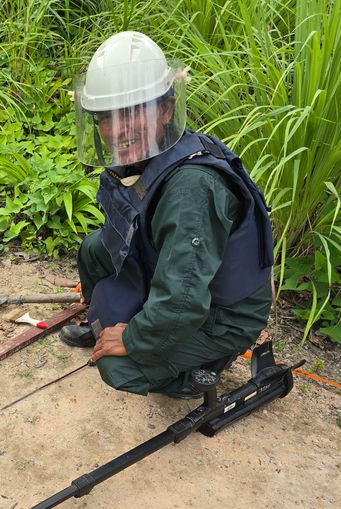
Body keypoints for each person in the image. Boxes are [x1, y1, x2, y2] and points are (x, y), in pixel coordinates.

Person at [61, 31, 274, 398]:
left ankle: (195, 373)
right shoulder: (142, 157)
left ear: (166, 110)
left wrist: (134, 338)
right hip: (176, 271)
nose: (120, 129)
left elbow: (183, 299)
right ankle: (101, 325)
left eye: (134, 111)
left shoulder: (192, 188)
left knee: (119, 368)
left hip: (223, 312)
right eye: (108, 117)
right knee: (94, 249)